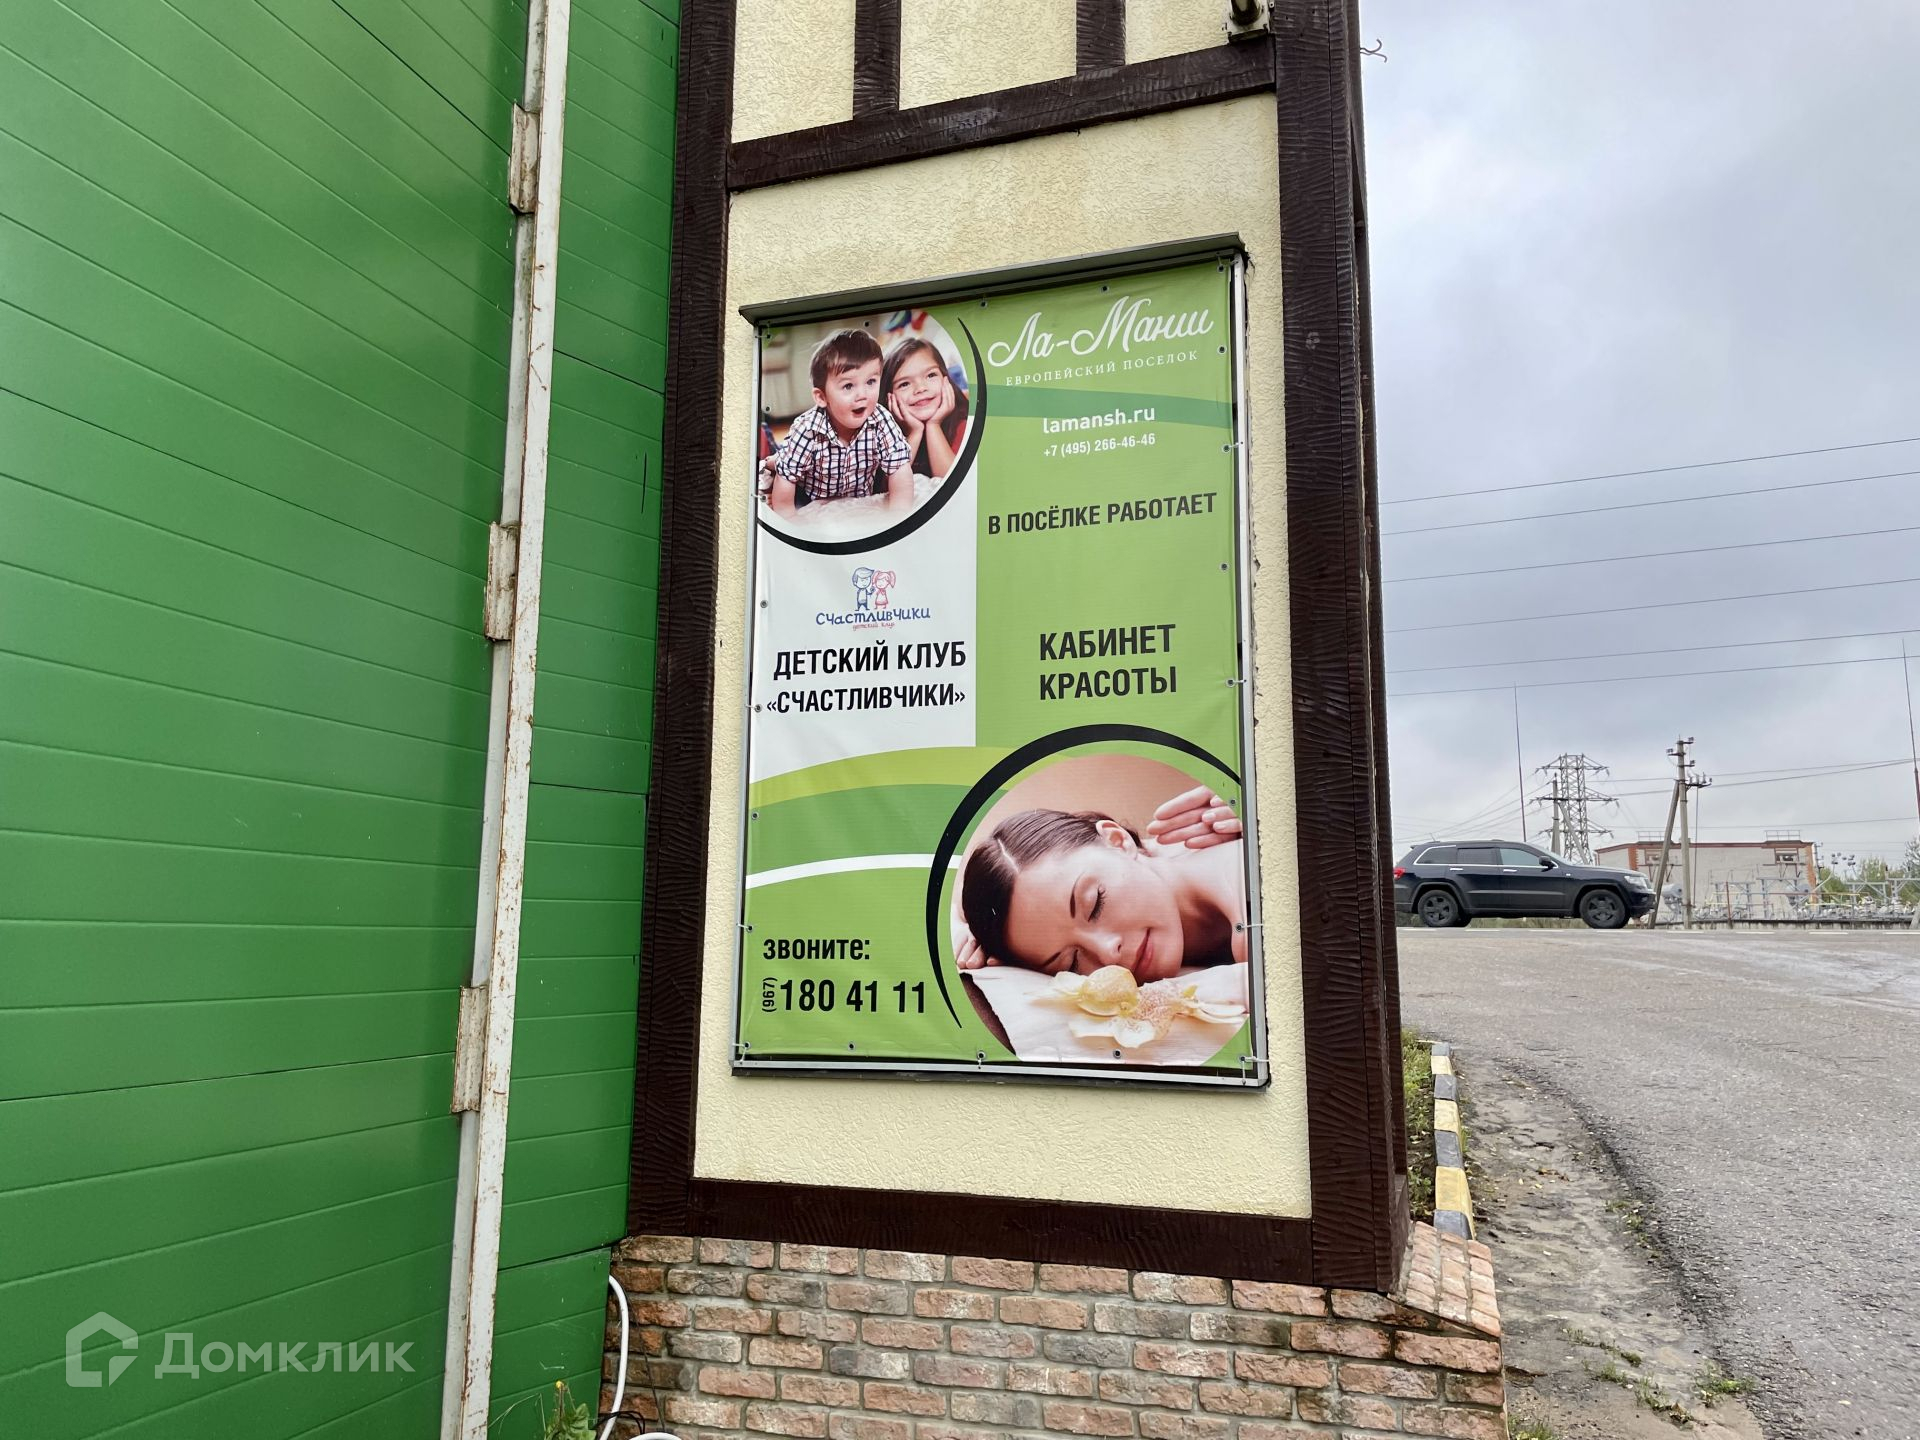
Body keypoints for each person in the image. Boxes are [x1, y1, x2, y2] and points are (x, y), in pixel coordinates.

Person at [955, 786, 1247, 978]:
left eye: (1095, 904)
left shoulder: (1245, 898)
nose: (1108, 952)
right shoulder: (1140, 858)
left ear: (1118, 840)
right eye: (1071, 962)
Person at [764, 329, 914, 517]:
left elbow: (900, 469)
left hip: (859, 497)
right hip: (810, 496)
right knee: (784, 467)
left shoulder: (881, 420)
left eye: (871, 382)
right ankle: (778, 458)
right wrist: (789, 519)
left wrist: (898, 516)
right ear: (822, 397)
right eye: (848, 386)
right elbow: (786, 480)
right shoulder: (807, 429)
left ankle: (781, 457)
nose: (862, 395)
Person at [881, 335, 969, 480]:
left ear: (946, 380)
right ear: (888, 397)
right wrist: (915, 433)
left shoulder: (964, 424)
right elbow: (887, 488)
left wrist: (934, 425)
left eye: (930, 375)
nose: (920, 388)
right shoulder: (882, 436)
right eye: (904, 384)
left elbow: (952, 483)